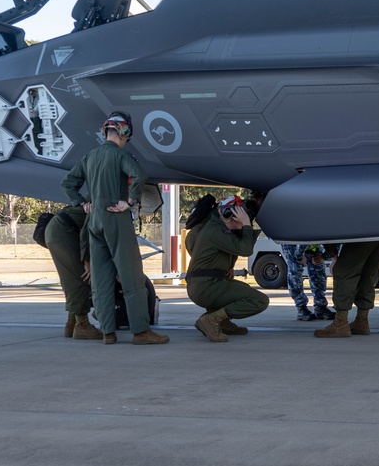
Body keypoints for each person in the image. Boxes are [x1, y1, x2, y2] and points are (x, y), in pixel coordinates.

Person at [61, 111, 168, 345]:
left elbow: (68, 182)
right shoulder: (121, 155)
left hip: (94, 221)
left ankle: (108, 332)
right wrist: (129, 202)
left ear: (105, 130)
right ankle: (141, 331)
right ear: (125, 132)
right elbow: (138, 175)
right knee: (131, 278)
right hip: (115, 217)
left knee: (101, 279)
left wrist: (82, 203)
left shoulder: (91, 156)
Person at [187, 195, 269, 342]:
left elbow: (234, 248)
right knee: (259, 300)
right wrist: (246, 226)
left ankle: (221, 322)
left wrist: (229, 266)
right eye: (243, 216)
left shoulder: (219, 227)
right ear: (229, 215)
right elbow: (245, 249)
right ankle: (211, 320)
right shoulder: (216, 231)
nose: (248, 220)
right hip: (205, 287)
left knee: (244, 292)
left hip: (209, 283)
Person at [44, 204, 103, 340]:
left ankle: (72, 323)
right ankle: (82, 325)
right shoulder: (105, 196)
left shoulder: (99, 191)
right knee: (80, 279)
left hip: (59, 230)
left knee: (72, 279)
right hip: (63, 231)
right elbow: (88, 232)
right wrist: (86, 261)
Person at [314, 240, 379, 338]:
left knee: (344, 271)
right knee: (366, 274)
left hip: (361, 232)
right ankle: (361, 321)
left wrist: (333, 255)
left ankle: (340, 323)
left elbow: (325, 229)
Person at [281, 244, 334, 321]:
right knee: (295, 270)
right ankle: (301, 308)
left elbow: (336, 246)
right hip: (293, 242)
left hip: (312, 245)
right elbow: (302, 238)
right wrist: (299, 257)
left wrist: (324, 256)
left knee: (318, 269)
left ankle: (320, 307)